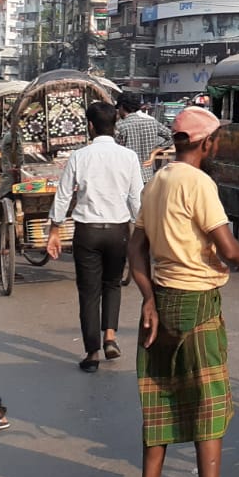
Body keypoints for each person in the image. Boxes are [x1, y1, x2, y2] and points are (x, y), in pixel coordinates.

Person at [126, 106, 239, 477]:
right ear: (208, 143)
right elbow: (229, 250)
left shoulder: (157, 181)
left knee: (161, 400)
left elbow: (136, 249)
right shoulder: (199, 183)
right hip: (197, 301)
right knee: (210, 406)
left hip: (162, 300)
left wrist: (148, 297)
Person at [45, 101, 144, 372]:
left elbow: (64, 195)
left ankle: (92, 353)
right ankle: (109, 337)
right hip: (118, 230)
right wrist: (142, 233)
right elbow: (136, 199)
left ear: (90, 126)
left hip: (87, 231)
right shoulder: (128, 157)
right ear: (115, 124)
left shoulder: (80, 156)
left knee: (89, 292)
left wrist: (54, 230)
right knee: (112, 284)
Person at [115, 93, 172, 185]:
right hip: (147, 176)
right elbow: (172, 136)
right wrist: (155, 151)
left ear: (121, 107)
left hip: (127, 176)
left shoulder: (119, 126)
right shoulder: (152, 123)